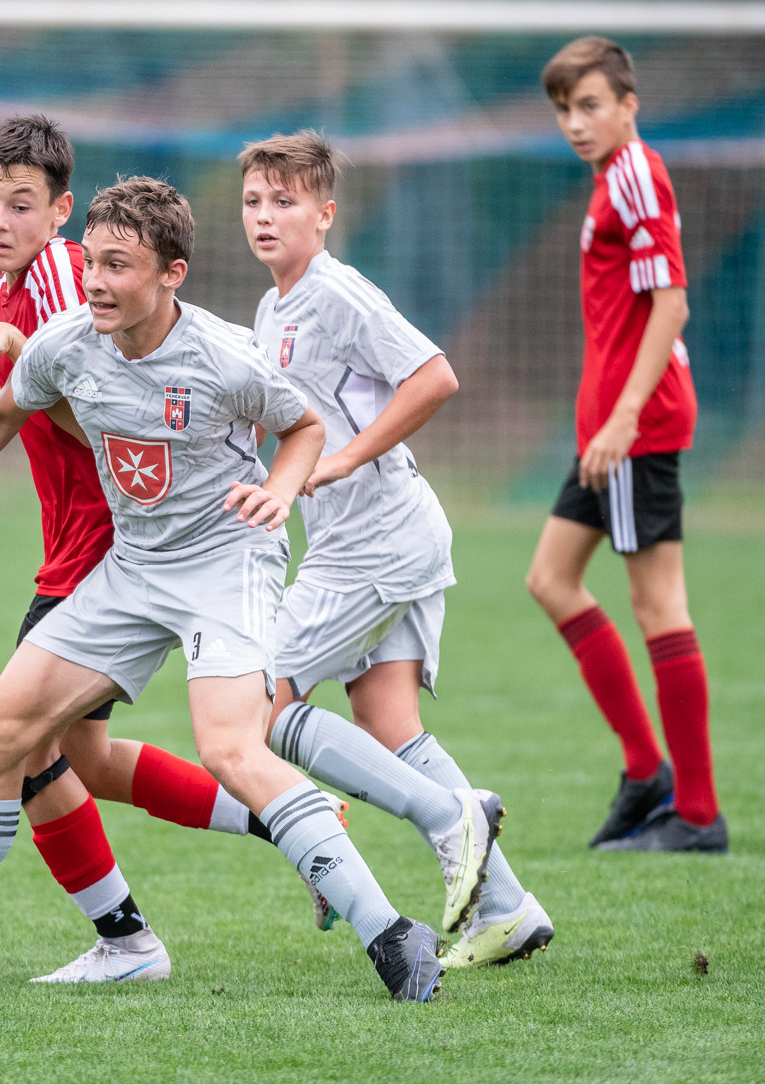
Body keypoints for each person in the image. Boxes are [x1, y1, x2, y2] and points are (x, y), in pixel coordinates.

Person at [0, 176, 443, 1000]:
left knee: (231, 748)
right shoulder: (69, 341)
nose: (95, 281)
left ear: (171, 274)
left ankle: (394, 934)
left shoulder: (224, 354)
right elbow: (4, 411)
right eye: (90, 261)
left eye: (118, 265)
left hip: (226, 563)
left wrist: (281, 488)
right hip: (134, 568)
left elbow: (303, 426)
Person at [241, 130, 556, 968]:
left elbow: (434, 376)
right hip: (383, 537)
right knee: (387, 723)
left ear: (325, 213)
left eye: (284, 201)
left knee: (255, 708)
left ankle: (432, 816)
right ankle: (508, 909)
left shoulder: (337, 293)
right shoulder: (272, 309)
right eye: (253, 201)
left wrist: (347, 457)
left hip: (374, 544)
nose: (265, 216)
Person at [522, 37, 728, 853]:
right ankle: (646, 772)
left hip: (633, 429)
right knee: (550, 579)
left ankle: (698, 814)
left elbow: (671, 305)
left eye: (590, 106)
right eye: (564, 110)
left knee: (658, 606)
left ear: (628, 105)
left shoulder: (637, 172)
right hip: (607, 431)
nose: (575, 123)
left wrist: (625, 419)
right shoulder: (612, 178)